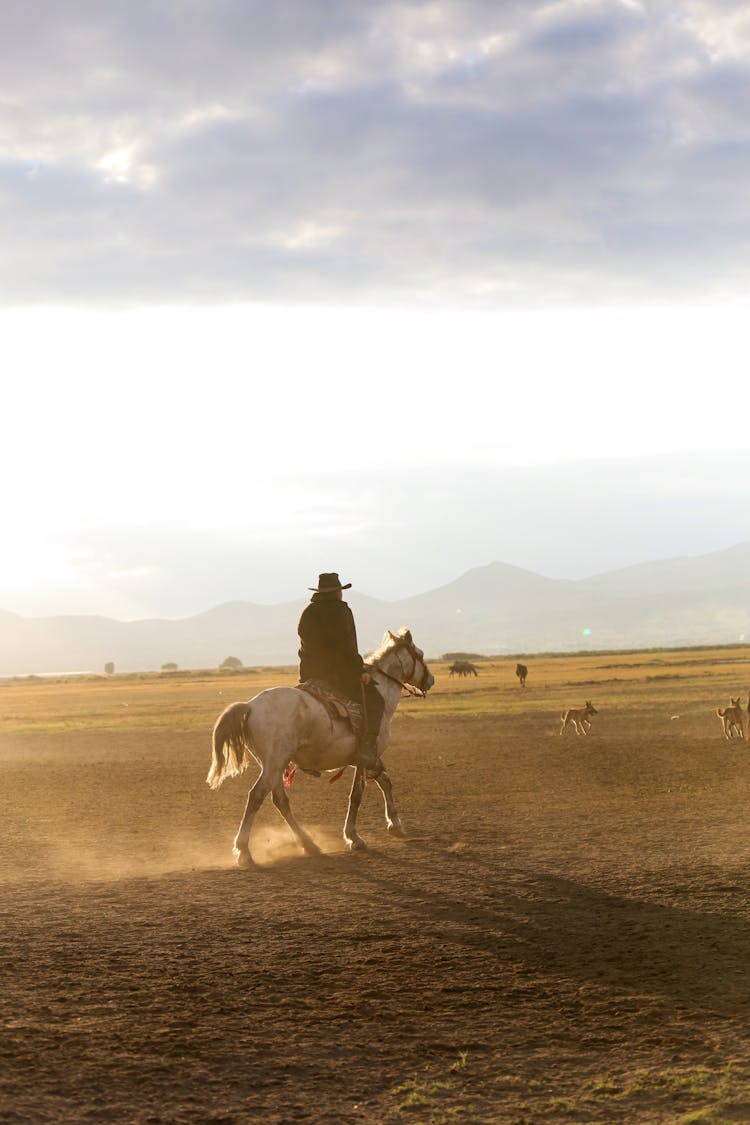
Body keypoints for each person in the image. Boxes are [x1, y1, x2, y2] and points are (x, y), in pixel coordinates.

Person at [297, 573, 385, 770]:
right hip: (337, 676)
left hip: (309, 675)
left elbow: (305, 647)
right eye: (340, 591)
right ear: (337, 592)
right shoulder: (341, 611)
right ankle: (367, 748)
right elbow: (347, 647)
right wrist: (359, 671)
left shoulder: (307, 612)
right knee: (375, 701)